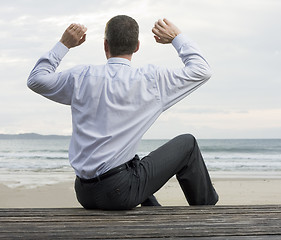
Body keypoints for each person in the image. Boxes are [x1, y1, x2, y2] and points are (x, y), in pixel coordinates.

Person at [27, 15, 218, 210]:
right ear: (137, 46)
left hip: (85, 192)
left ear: (105, 45)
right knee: (188, 144)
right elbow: (202, 70)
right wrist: (177, 37)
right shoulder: (151, 80)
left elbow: (36, 80)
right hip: (119, 192)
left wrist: (64, 44)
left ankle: (153, 208)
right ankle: (207, 213)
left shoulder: (81, 76)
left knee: (129, 157)